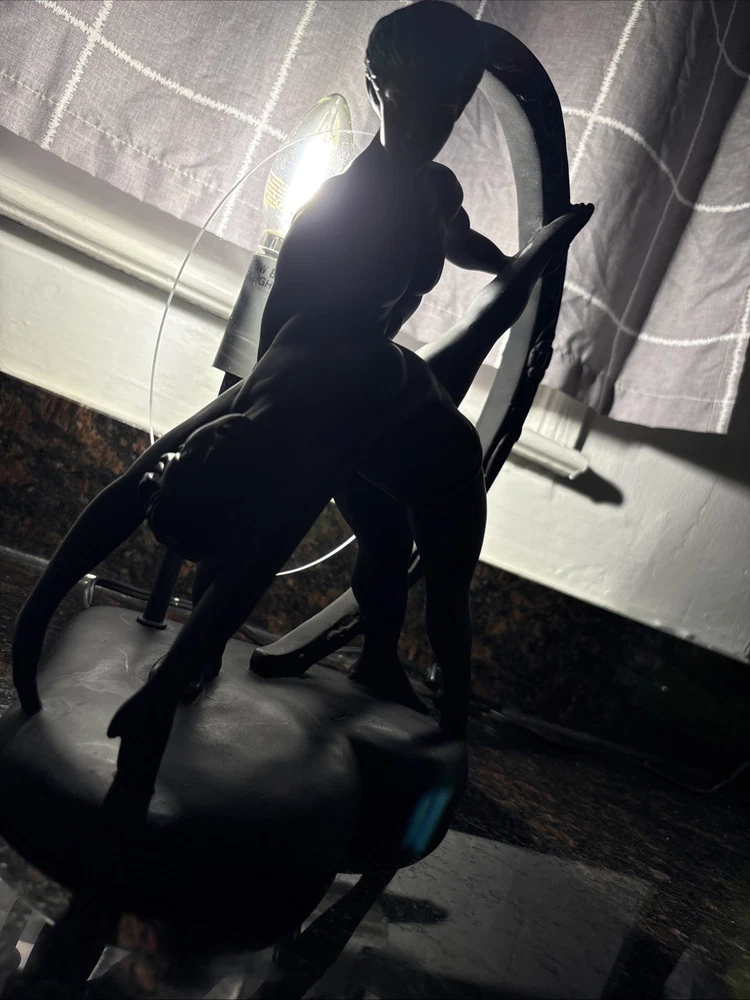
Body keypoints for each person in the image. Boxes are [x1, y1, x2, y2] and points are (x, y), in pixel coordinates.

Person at [12, 0, 591, 748]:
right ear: (376, 88)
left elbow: (457, 243)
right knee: (254, 512)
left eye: (448, 109)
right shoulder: (335, 213)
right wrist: (39, 624)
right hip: (312, 375)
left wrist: (512, 261)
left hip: (371, 387)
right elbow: (199, 508)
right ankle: (180, 661)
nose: (428, 125)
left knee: (393, 545)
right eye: (411, 102)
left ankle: (381, 666)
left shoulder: (433, 189)